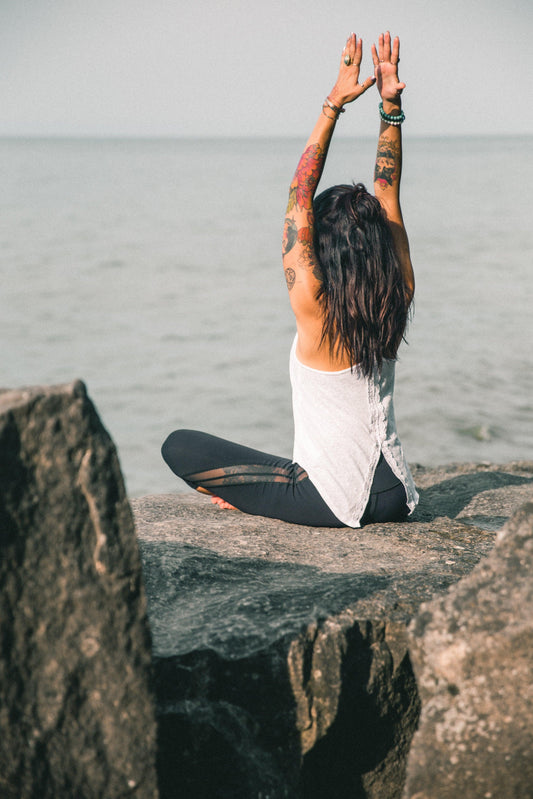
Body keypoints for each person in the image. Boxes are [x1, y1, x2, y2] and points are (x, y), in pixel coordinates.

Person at [161, 31, 419, 528]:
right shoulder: (397, 293)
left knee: (179, 445)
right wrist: (391, 108)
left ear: (323, 247)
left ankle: (262, 494)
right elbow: (388, 196)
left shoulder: (315, 306)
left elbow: (299, 195)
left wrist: (333, 104)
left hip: (334, 501)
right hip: (398, 496)